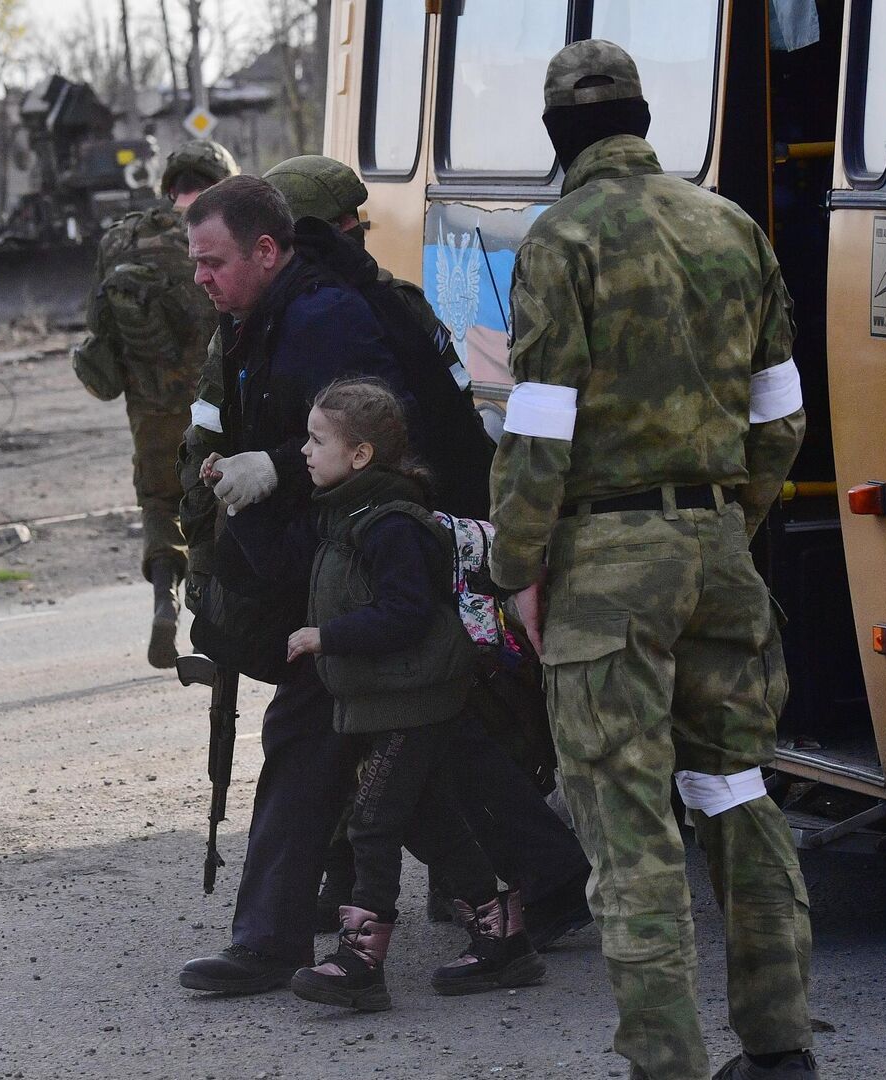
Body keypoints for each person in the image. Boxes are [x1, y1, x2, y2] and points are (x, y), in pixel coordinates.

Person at [486, 41, 814, 1080]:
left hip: (603, 564)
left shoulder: (562, 240)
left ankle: (664, 1063)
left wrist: (516, 569)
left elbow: (539, 429)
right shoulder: (731, 226)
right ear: (642, 119)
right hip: (720, 548)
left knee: (628, 823)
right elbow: (783, 416)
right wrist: (725, 522)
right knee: (735, 795)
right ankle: (778, 1048)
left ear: (556, 138)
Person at [262, 155, 596, 950]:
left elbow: (377, 431)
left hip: (413, 538)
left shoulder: (342, 313)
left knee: (440, 742)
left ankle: (518, 888)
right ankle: (490, 887)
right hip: (434, 525)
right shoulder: (387, 302)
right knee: (434, 743)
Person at [220, 377, 544, 1011]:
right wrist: (238, 509)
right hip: (382, 703)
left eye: (317, 441)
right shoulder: (348, 516)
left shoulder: (394, 526)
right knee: (429, 818)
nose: (304, 453)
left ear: (361, 454)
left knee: (371, 821)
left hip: (413, 704)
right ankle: (502, 940)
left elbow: (406, 614)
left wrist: (326, 637)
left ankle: (360, 960)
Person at [175, 175, 414, 994]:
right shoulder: (267, 318)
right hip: (332, 558)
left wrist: (270, 468)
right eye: (196, 264)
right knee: (430, 735)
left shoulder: (318, 318)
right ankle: (548, 876)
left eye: (214, 262)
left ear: (267, 251)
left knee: (309, 730)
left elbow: (371, 437)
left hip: (362, 560)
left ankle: (268, 940)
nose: (201, 278)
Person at [73, 139, 238, 668]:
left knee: (160, 504)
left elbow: (99, 328)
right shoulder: (224, 234)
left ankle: (164, 597)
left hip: (151, 408)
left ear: (169, 186)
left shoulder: (121, 239)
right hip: (220, 399)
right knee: (221, 501)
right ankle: (215, 625)